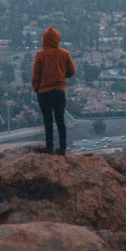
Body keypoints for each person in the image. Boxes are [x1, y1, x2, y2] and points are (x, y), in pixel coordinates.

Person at [31, 27, 76, 155]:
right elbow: (71, 72)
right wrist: (61, 75)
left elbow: (36, 76)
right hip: (59, 92)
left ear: (44, 39)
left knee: (48, 120)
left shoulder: (40, 55)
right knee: (60, 120)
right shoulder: (64, 54)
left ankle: (49, 148)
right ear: (57, 39)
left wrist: (37, 89)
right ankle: (62, 148)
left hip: (44, 93)